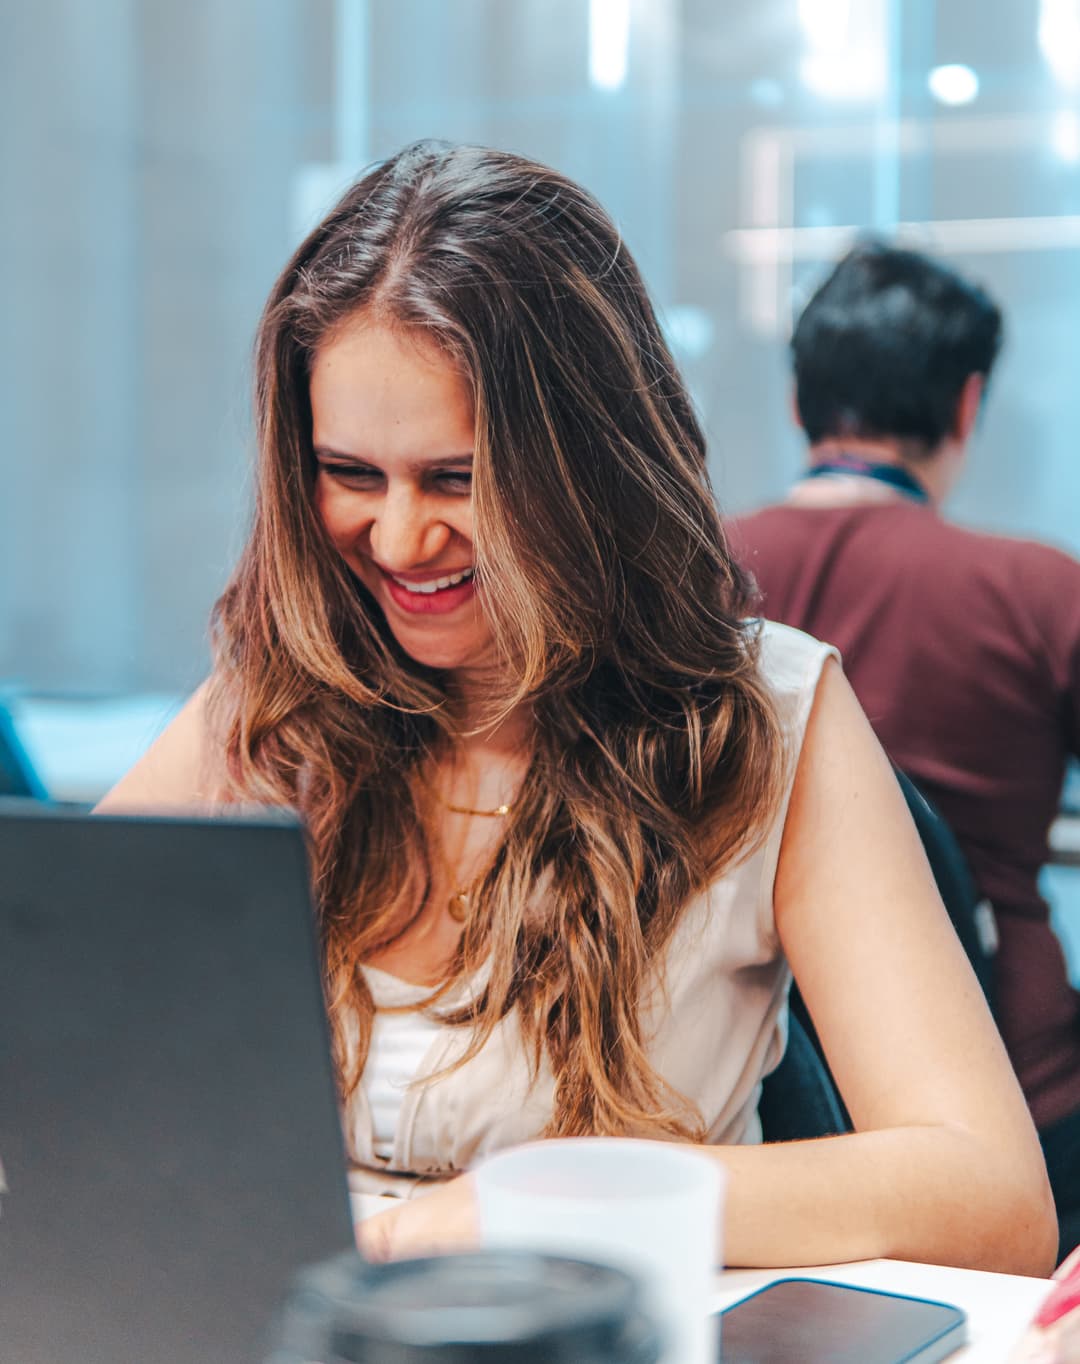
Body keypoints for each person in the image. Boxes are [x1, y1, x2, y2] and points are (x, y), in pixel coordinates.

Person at [99, 146, 1055, 1273]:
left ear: (585, 467)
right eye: (351, 474)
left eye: (457, 479)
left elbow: (991, 1199)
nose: (398, 538)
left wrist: (540, 1206)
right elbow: (48, 996)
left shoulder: (770, 718)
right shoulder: (274, 703)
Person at [730, 239, 1080, 1259]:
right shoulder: (1036, 592)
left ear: (799, 403)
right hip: (1021, 1098)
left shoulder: (690, 578)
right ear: (968, 404)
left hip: (759, 1116)